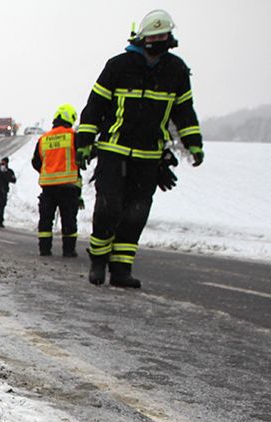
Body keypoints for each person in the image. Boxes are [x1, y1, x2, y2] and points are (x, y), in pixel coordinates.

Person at [76, 8, 203, 288]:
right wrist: (84, 142)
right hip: (113, 150)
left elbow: (184, 111)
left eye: (164, 35)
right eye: (155, 35)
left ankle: (121, 269)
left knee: (136, 213)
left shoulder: (176, 71)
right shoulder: (118, 66)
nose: (160, 40)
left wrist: (194, 144)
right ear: (142, 38)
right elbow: (94, 106)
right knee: (109, 208)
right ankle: (98, 260)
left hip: (148, 157)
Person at [31, 104, 82, 257]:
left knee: (46, 220)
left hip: (48, 188)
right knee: (69, 220)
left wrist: (47, 171)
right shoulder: (73, 136)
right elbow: (84, 155)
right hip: (68, 187)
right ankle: (68, 250)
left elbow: (35, 162)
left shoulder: (44, 139)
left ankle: (44, 249)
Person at [0, 157, 17, 227]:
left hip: (4, 191)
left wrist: (6, 173)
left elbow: (13, 180)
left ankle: (0, 220)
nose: (2, 164)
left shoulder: (9, 171)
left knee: (2, 206)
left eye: (4, 163)